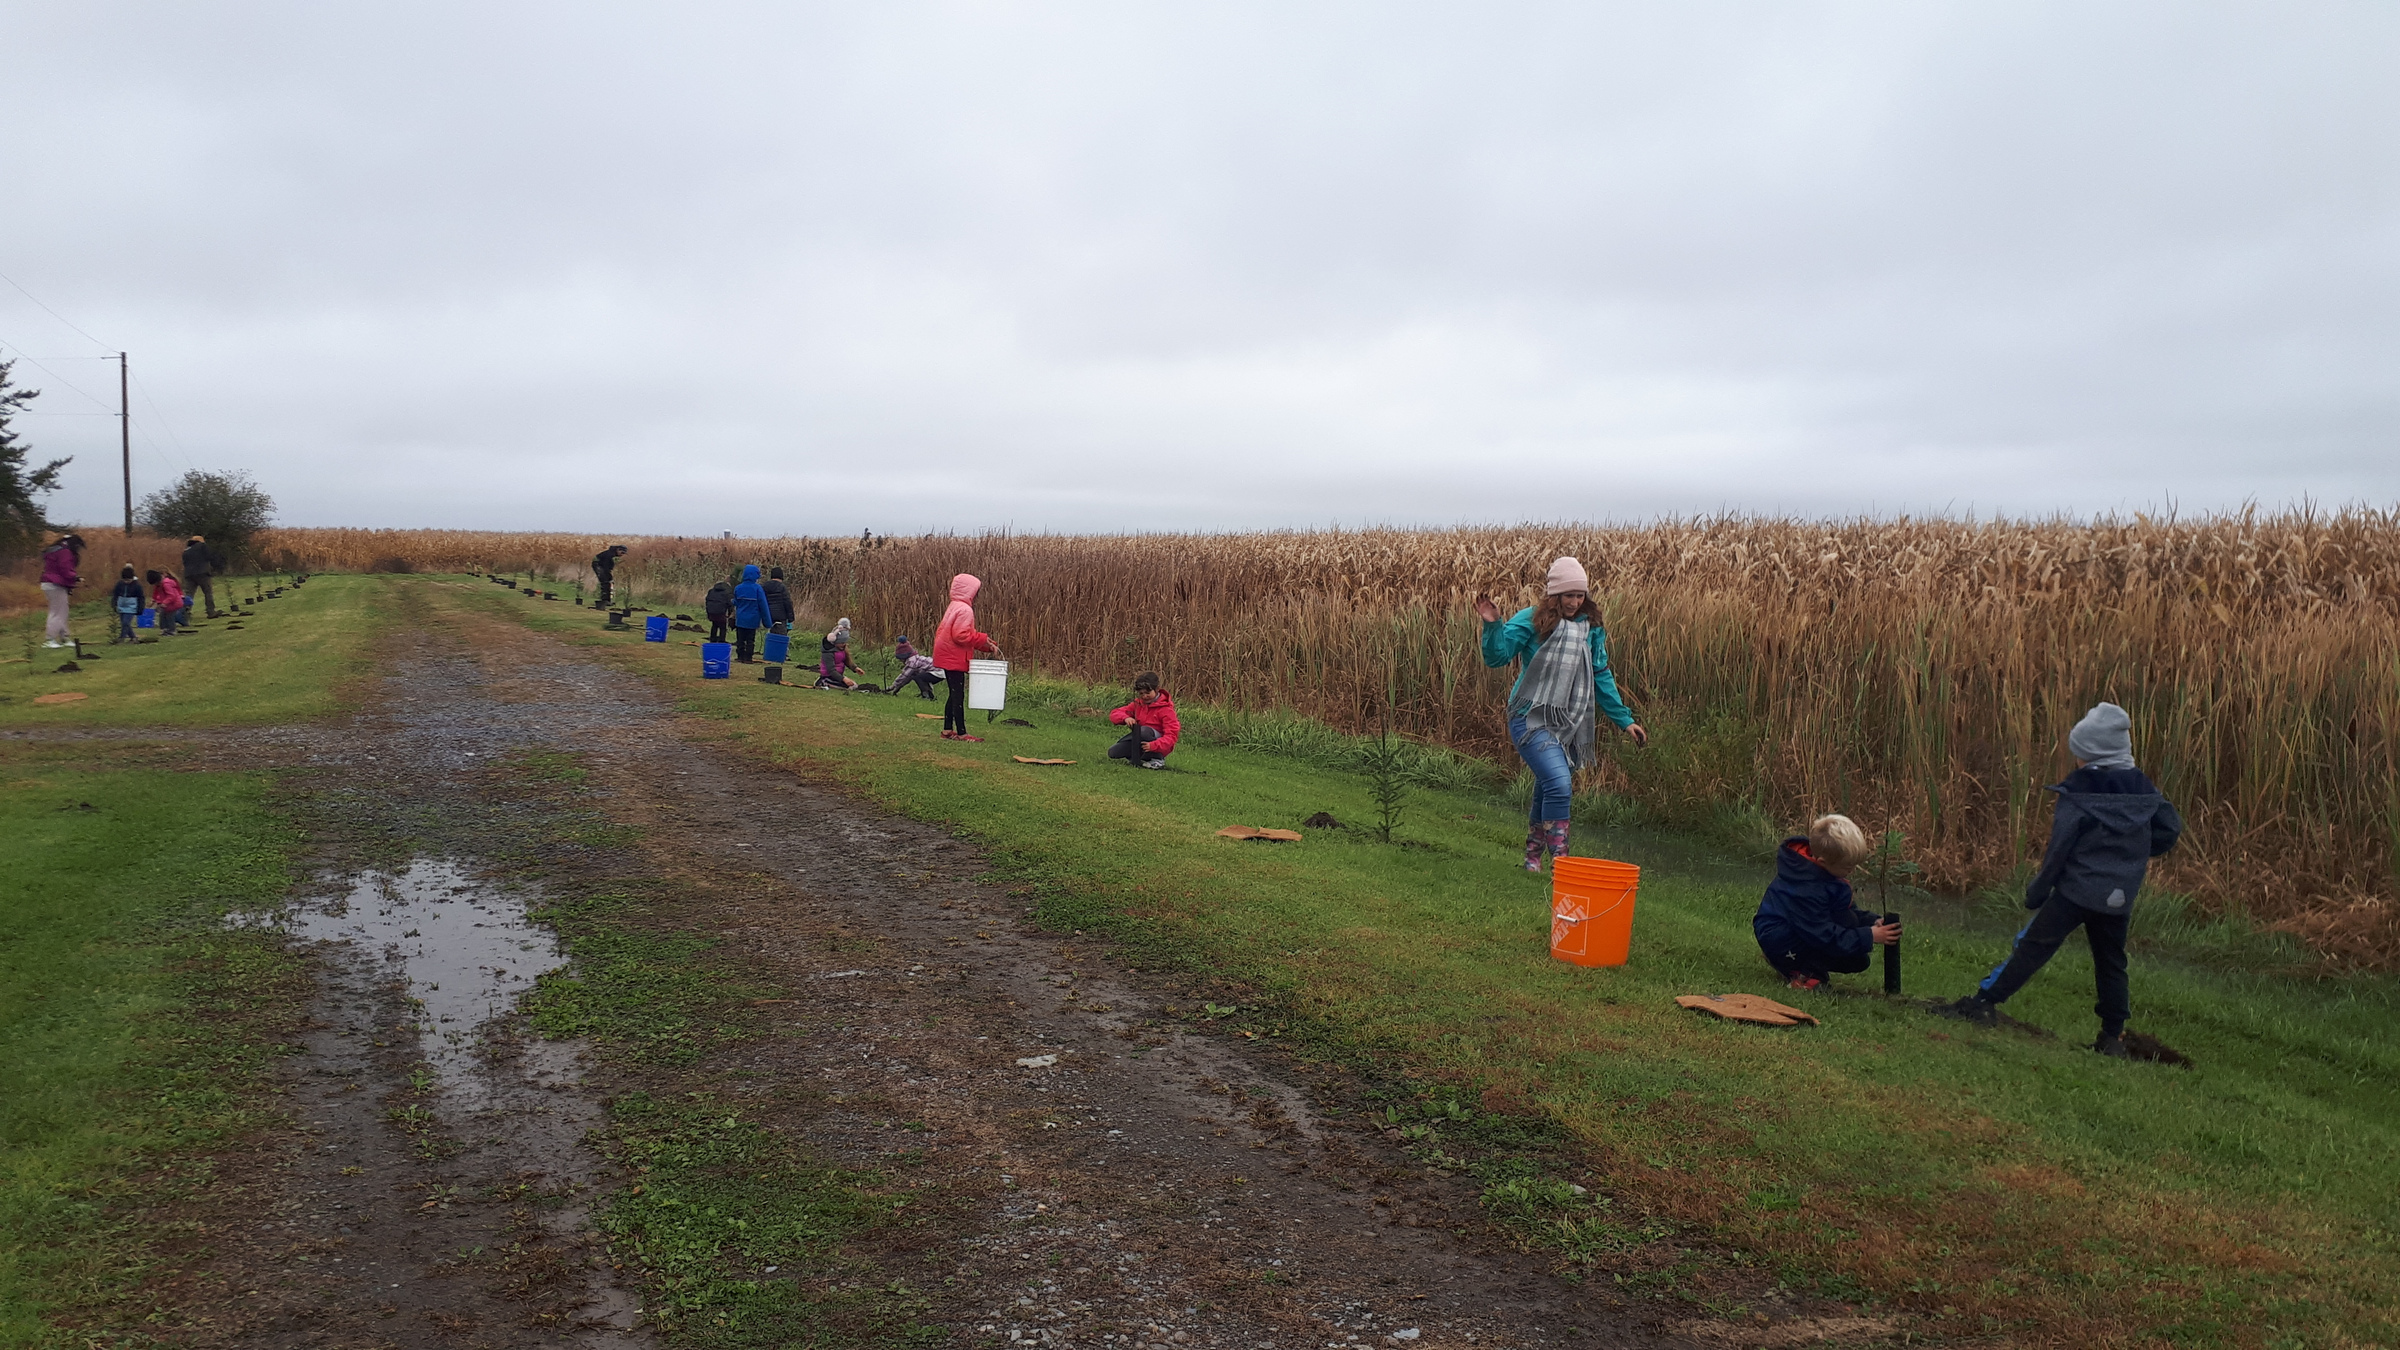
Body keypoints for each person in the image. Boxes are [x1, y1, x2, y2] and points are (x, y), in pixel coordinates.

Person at [1940, 703, 2183, 1057]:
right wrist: (2132, 857)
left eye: (2080, 753)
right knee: (2112, 963)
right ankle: (2112, 1036)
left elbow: (2059, 850)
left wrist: (2039, 890)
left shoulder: (2080, 794)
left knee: (2033, 947)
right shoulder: (2144, 792)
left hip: (2075, 892)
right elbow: (2169, 830)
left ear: (2092, 754)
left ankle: (1983, 1002)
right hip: (2118, 897)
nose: (2076, 760)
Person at [1475, 557, 1647, 872]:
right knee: (1558, 782)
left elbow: (1600, 674)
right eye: (1568, 595)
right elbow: (1497, 657)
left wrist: (1625, 720)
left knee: (1549, 784)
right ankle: (1562, 865)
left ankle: (1532, 859)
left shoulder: (1591, 628)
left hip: (1566, 721)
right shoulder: (1531, 620)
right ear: (1554, 595)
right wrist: (1493, 625)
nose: (1574, 602)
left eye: (1580, 595)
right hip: (1528, 718)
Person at [1753, 814, 1901, 990]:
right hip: (1780, 939)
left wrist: (1871, 922)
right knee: (1845, 946)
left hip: (1803, 930)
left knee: (1858, 960)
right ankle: (1800, 974)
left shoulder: (1825, 875)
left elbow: (1843, 912)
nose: (1852, 871)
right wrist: (1869, 936)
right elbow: (1821, 934)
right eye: (1847, 867)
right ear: (1823, 862)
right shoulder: (1806, 890)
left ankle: (1795, 964)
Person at [932, 574, 999, 741]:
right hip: (954, 656)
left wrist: (985, 644)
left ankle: (947, 730)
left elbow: (965, 635)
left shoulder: (955, 606)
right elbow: (961, 636)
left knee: (954, 693)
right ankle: (962, 733)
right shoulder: (965, 610)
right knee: (958, 695)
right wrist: (983, 639)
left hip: (947, 654)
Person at [1106, 672, 1181, 769]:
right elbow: (1115, 714)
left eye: (1148, 693)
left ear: (1157, 689)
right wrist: (1125, 718)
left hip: (1157, 745)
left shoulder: (1166, 710)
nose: (1144, 696)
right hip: (1139, 739)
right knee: (1113, 752)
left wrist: (1153, 745)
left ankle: (1157, 759)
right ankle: (1141, 758)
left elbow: (1172, 736)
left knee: (1144, 731)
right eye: (1141, 693)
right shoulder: (1138, 704)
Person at [39, 533, 84, 648]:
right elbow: (65, 568)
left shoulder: (55, 550)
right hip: (55, 584)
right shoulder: (65, 552)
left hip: (50, 583)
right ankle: (50, 639)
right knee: (57, 612)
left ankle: (64, 637)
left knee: (62, 611)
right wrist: (75, 577)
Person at [730, 564, 770, 663]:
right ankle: (748, 657)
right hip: (753, 619)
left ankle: (740, 656)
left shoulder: (738, 588)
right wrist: (767, 622)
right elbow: (763, 605)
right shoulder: (758, 589)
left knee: (740, 639)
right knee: (750, 640)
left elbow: (736, 602)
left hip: (740, 618)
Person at [180, 535, 219, 618]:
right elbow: (209, 557)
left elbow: (184, 562)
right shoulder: (202, 546)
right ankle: (211, 612)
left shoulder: (186, 550)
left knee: (189, 594)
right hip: (202, 573)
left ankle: (185, 612)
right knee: (208, 592)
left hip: (189, 574)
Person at [109, 564, 146, 644]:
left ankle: (122, 638)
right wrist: (114, 604)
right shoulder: (119, 584)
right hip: (121, 605)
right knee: (124, 623)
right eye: (125, 580)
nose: (126, 582)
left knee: (126, 622)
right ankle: (133, 638)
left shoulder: (137, 586)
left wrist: (140, 608)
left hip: (131, 607)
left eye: (128, 580)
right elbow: (115, 594)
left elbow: (141, 598)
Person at [147, 569, 187, 637]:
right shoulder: (159, 585)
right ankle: (164, 629)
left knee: (169, 616)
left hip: (174, 603)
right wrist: (154, 601)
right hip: (169, 604)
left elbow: (171, 595)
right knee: (162, 615)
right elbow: (156, 593)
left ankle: (171, 630)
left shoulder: (166, 584)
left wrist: (165, 603)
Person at [703, 578, 733, 643]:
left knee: (714, 624)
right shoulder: (727, 592)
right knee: (723, 626)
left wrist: (708, 611)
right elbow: (730, 604)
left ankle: (712, 639)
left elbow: (707, 601)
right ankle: (722, 641)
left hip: (711, 611)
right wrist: (730, 613)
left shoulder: (711, 591)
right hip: (721, 612)